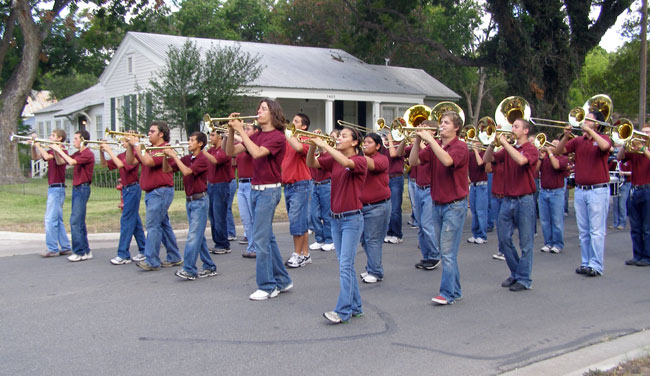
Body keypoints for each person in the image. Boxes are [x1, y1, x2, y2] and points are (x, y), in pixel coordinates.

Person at [226, 99, 292, 301]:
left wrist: (242, 132)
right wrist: (230, 131)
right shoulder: (257, 135)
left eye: (263, 109)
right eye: (259, 108)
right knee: (267, 238)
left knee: (260, 239)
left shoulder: (277, 137)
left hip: (269, 191)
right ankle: (282, 280)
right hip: (256, 190)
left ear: (273, 113)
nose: (258, 111)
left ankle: (267, 285)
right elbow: (230, 152)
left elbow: (256, 153)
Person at [307, 127, 367, 324]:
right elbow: (312, 163)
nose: (339, 139)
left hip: (352, 219)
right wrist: (312, 146)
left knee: (346, 265)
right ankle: (356, 306)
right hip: (336, 219)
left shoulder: (359, 160)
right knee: (345, 265)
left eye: (343, 136)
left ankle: (343, 311)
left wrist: (325, 145)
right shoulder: (334, 159)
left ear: (354, 142)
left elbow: (347, 163)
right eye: (338, 135)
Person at [410, 111, 468, 305]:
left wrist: (430, 140)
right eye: (441, 122)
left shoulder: (460, 147)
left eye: (446, 123)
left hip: (454, 205)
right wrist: (418, 141)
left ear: (456, 127)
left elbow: (448, 161)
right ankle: (456, 290)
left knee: (447, 252)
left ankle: (447, 294)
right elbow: (413, 162)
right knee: (447, 251)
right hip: (438, 204)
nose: (441, 125)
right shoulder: (436, 146)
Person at [556, 111, 612, 277]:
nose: (585, 121)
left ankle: (596, 265)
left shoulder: (603, 138)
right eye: (584, 118)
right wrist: (566, 136)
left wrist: (592, 131)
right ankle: (586, 262)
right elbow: (559, 151)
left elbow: (605, 147)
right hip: (581, 190)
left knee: (596, 230)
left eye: (589, 119)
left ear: (597, 124)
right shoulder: (578, 141)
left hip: (598, 190)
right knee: (584, 230)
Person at [484, 118, 538, 291]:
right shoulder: (509, 149)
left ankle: (524, 279)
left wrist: (505, 144)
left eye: (516, 126)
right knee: (504, 238)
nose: (512, 129)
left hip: (525, 199)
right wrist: (492, 143)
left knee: (525, 241)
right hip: (508, 199)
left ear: (525, 131)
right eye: (512, 126)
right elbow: (487, 159)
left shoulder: (531, 148)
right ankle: (516, 273)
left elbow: (522, 161)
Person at [126, 121, 183, 271]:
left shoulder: (164, 148)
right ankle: (174, 256)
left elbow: (148, 162)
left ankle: (152, 260)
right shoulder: (148, 149)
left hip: (160, 191)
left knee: (153, 226)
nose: (149, 133)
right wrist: (131, 146)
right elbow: (130, 161)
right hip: (152, 192)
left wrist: (137, 144)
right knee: (163, 225)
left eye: (152, 131)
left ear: (161, 134)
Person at [163, 131, 218, 280]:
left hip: (200, 201)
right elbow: (167, 169)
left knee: (193, 236)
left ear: (200, 143)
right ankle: (209, 266)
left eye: (192, 140)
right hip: (190, 201)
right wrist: (165, 157)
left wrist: (174, 155)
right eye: (189, 140)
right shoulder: (188, 158)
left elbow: (187, 172)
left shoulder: (202, 158)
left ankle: (189, 269)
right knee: (198, 236)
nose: (189, 142)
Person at [399, 120, 441, 271]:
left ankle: (435, 255)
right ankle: (427, 255)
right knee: (420, 225)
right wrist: (416, 139)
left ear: (433, 132)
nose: (420, 130)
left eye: (425, 129)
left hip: (431, 189)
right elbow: (412, 161)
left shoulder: (436, 146)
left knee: (427, 224)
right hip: (419, 187)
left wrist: (423, 140)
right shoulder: (422, 146)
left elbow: (435, 155)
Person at [99, 135, 146, 264]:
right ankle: (144, 250)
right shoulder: (121, 155)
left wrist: (109, 150)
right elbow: (104, 165)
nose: (123, 143)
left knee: (126, 221)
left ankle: (123, 254)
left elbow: (121, 165)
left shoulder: (134, 156)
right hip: (126, 190)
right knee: (134, 221)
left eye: (125, 141)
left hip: (132, 189)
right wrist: (101, 151)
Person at [49, 130, 95, 262]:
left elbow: (71, 162)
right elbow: (60, 162)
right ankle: (85, 251)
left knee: (75, 221)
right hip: (77, 188)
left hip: (82, 188)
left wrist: (59, 149)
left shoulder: (87, 153)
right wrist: (57, 151)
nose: (73, 141)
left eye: (76, 139)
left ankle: (79, 252)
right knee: (79, 221)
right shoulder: (79, 153)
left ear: (83, 140)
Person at [30, 129, 72, 258]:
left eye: (53, 135)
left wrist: (38, 144)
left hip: (57, 189)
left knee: (49, 220)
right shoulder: (52, 149)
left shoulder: (62, 150)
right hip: (53, 188)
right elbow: (35, 157)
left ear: (59, 139)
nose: (50, 136)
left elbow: (48, 157)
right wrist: (33, 146)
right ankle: (65, 247)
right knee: (57, 220)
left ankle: (52, 249)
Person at [358, 133, 391, 284]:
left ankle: (376, 271)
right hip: (363, 206)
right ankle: (372, 267)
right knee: (365, 239)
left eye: (369, 142)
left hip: (377, 206)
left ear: (378, 146)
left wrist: (356, 152)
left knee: (373, 240)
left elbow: (371, 165)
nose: (365, 144)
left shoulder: (381, 159)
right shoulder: (361, 159)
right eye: (364, 142)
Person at [283, 113, 314, 268]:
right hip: (289, 185)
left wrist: (288, 134)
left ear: (304, 127)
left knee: (297, 220)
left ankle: (297, 255)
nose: (292, 123)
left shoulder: (305, 139)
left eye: (296, 121)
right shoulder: (288, 139)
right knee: (299, 220)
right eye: (292, 120)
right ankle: (305, 254)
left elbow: (299, 148)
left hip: (301, 183)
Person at [617, 123, 650, 267]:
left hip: (648, 190)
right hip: (634, 189)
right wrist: (625, 144)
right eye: (642, 132)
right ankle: (637, 255)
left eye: (647, 132)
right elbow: (619, 157)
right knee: (635, 227)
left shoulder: (645, 150)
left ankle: (647, 256)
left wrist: (644, 149)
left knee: (647, 228)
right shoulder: (634, 151)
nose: (643, 135)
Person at [536, 139, 569, 254]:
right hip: (544, 191)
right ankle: (548, 242)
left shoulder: (563, 158)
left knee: (557, 220)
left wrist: (549, 153)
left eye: (554, 145)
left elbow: (556, 166)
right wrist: (540, 157)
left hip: (557, 192)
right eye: (551, 144)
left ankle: (558, 243)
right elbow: (535, 171)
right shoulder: (544, 158)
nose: (551, 146)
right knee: (545, 220)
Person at [309, 130, 338, 253]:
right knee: (313, 214)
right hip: (315, 185)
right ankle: (319, 239)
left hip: (327, 185)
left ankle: (329, 240)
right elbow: (310, 163)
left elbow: (324, 163)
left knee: (327, 215)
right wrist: (313, 145)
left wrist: (323, 148)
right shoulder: (317, 155)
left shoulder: (331, 155)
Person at [205, 130, 233, 255]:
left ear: (220, 137)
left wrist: (202, 151)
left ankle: (223, 244)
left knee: (219, 215)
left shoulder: (224, 150)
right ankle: (218, 242)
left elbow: (216, 160)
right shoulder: (211, 150)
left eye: (212, 135)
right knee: (212, 216)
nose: (210, 137)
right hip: (211, 185)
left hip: (221, 185)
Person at [235, 122, 259, 258]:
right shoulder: (243, 145)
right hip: (242, 184)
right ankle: (251, 246)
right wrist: (229, 134)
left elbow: (250, 149)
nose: (245, 131)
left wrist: (241, 135)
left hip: (251, 183)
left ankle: (257, 246)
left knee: (254, 218)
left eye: (248, 129)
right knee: (245, 219)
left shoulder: (253, 145)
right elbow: (229, 151)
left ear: (255, 132)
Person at [383, 132, 404, 244]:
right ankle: (389, 232)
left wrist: (390, 140)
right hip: (386, 178)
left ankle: (397, 234)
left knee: (395, 209)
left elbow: (393, 154)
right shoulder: (386, 144)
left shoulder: (400, 145)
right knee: (388, 208)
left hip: (396, 178)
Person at [467, 140, 488, 245]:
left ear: (480, 144)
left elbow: (481, 163)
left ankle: (482, 235)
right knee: (474, 211)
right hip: (473, 185)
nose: (474, 144)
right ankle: (475, 234)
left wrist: (475, 151)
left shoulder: (484, 154)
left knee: (481, 211)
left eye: (476, 142)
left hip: (482, 185)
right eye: (473, 142)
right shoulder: (470, 155)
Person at [609, 157, 631, 230]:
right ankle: (615, 223)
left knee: (622, 204)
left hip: (625, 183)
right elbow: (609, 169)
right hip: (616, 184)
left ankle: (622, 223)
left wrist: (623, 173)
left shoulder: (629, 161)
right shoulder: (616, 162)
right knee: (615, 205)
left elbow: (632, 172)